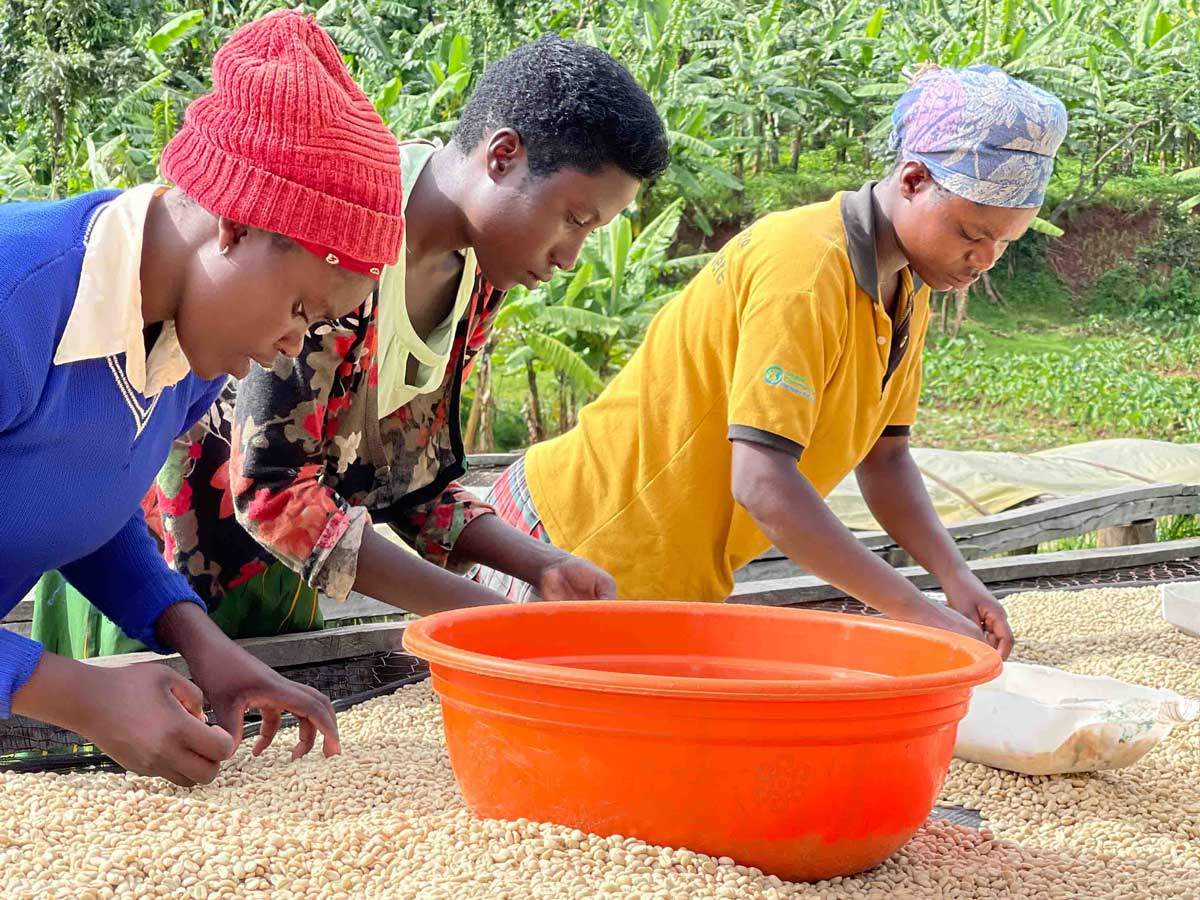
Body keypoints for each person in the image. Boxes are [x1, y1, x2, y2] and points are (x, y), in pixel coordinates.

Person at [36, 35, 668, 646]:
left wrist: (541, 565)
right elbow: (272, 490)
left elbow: (408, 476)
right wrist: (488, 618)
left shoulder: (477, 279)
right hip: (148, 579)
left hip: (274, 596)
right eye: (575, 220)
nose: (570, 257)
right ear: (502, 155)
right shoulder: (336, 237)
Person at [478, 65, 1070, 659]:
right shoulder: (805, 268)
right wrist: (917, 613)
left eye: (1005, 242)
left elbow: (886, 458)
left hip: (666, 576)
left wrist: (955, 578)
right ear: (913, 180)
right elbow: (763, 484)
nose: (985, 259)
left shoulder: (907, 288)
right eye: (971, 233)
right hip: (573, 545)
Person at [2, 9, 405, 785]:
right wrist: (80, 695)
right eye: (300, 309)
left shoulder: (189, 353)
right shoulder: (16, 300)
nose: (292, 346)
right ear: (234, 226)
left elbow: (83, 502)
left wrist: (202, 643)